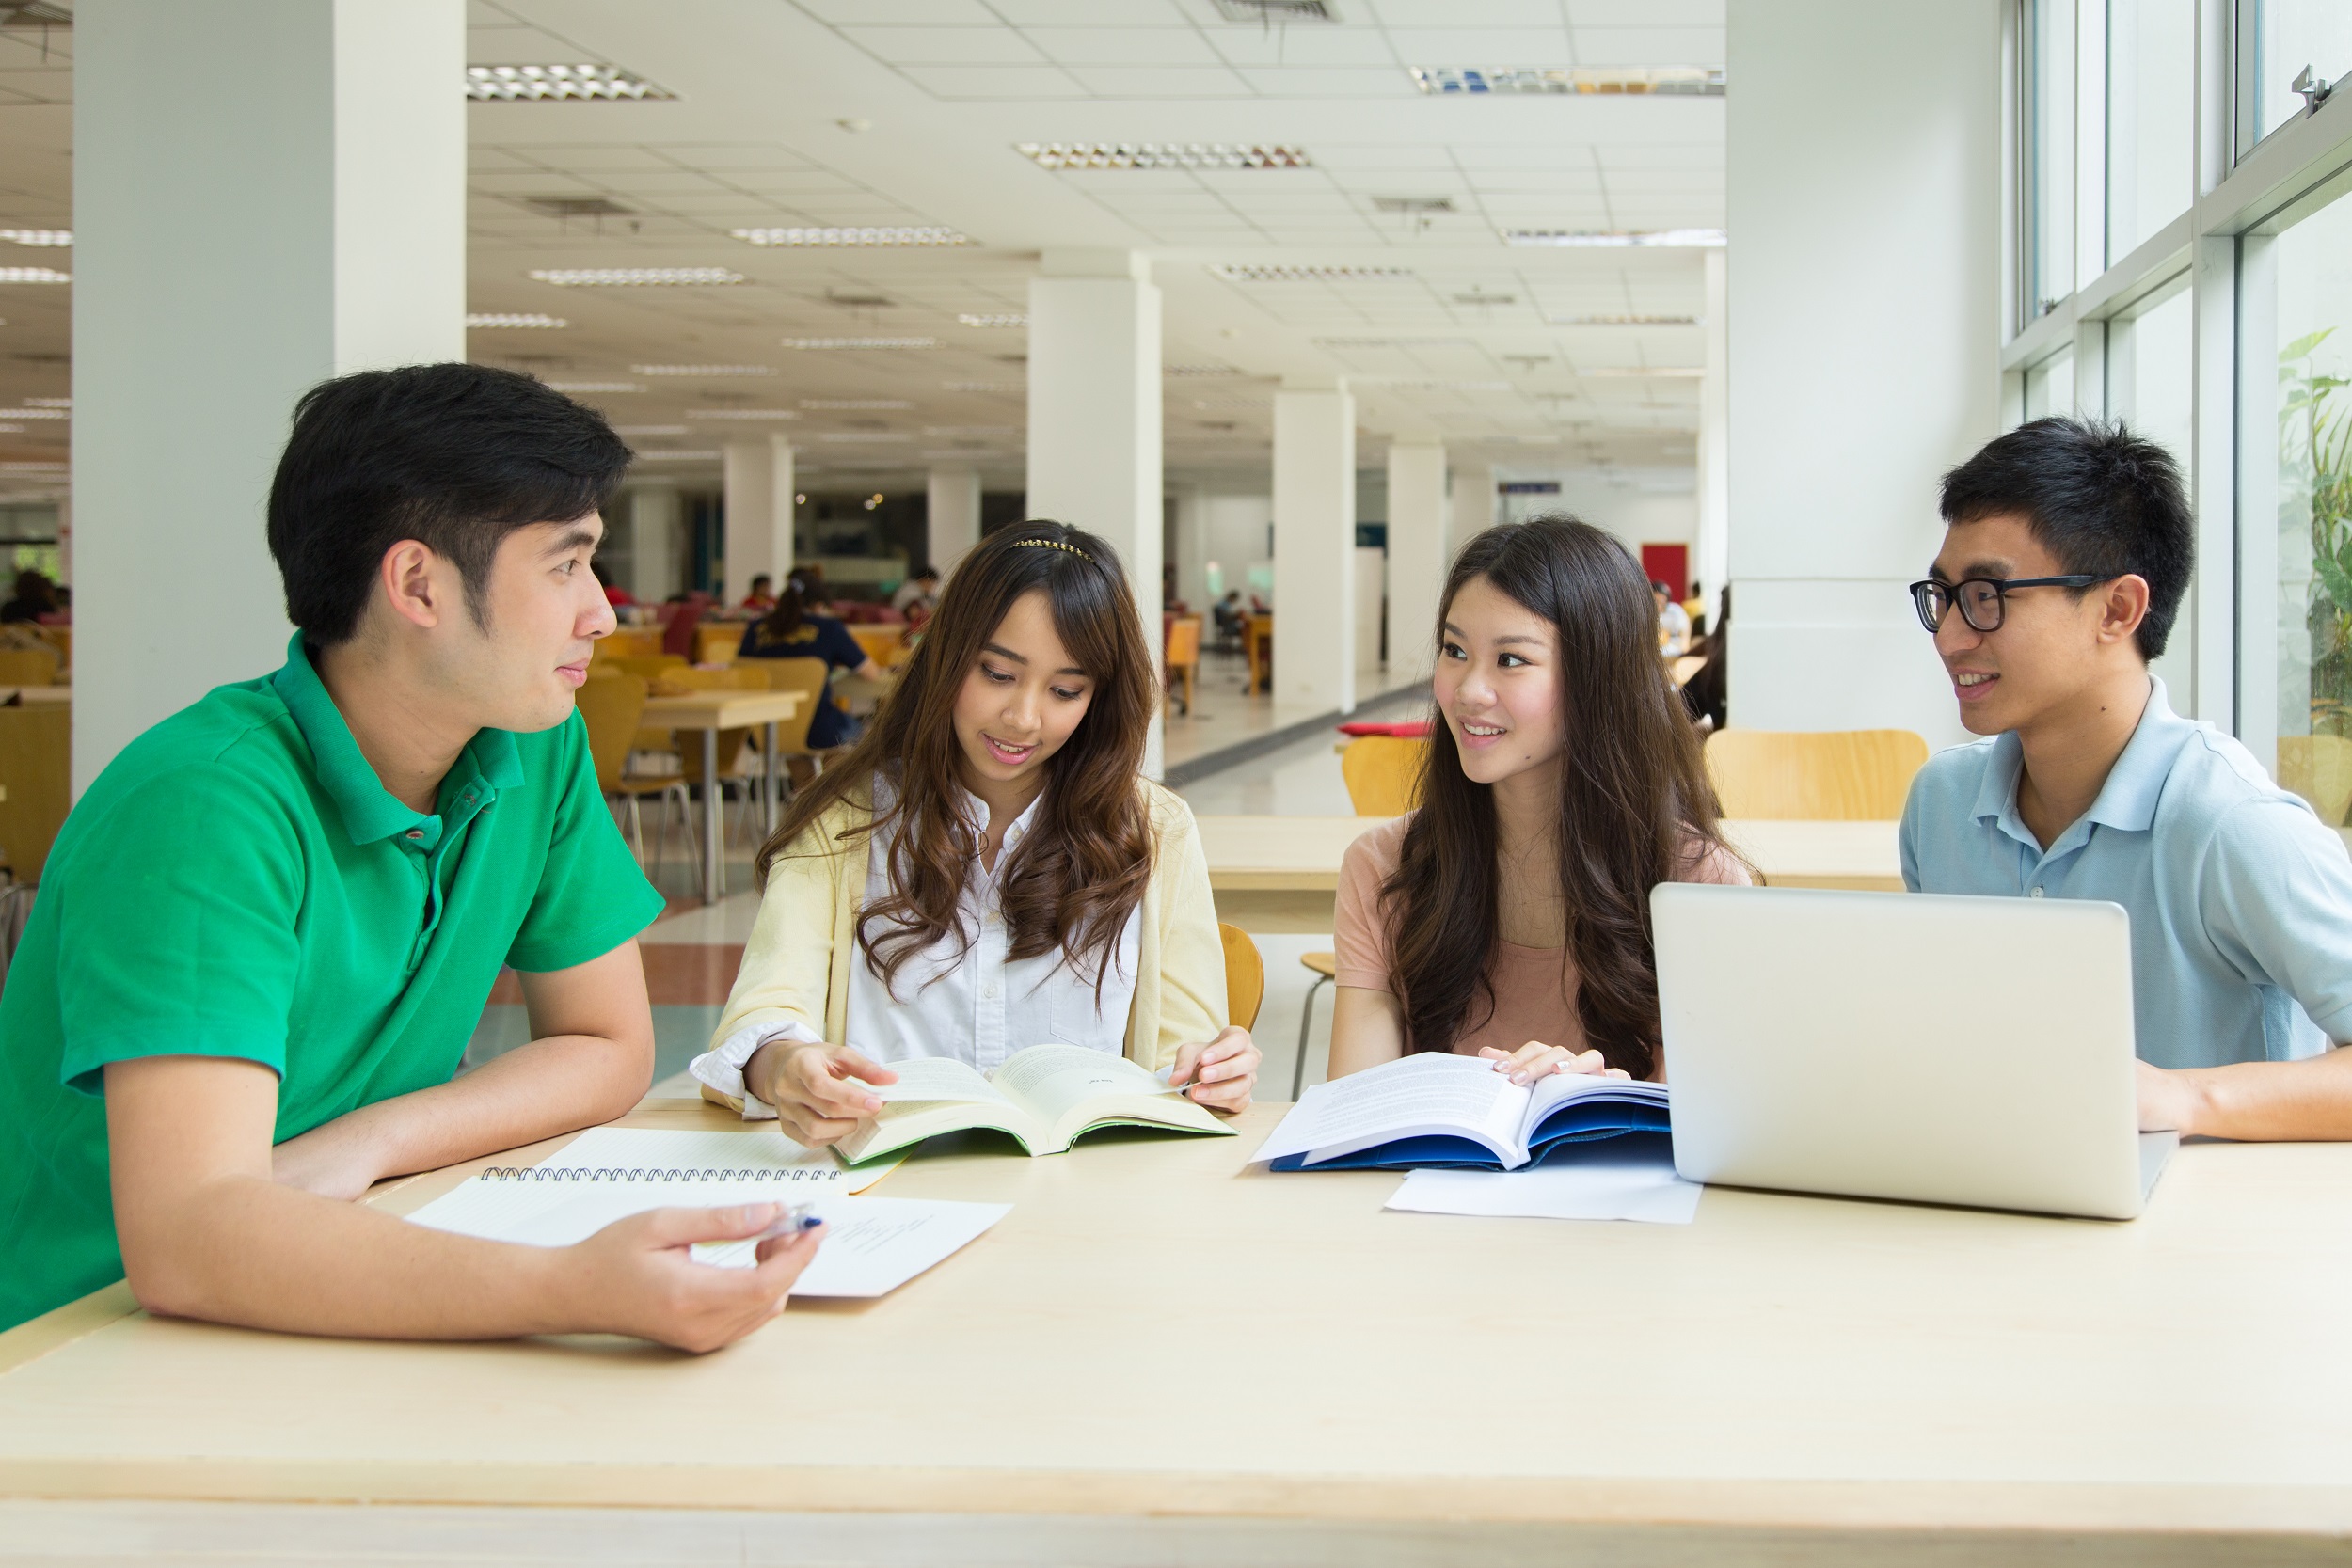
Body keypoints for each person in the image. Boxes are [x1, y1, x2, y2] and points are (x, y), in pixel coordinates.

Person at [0, 363, 823, 1344]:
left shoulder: (529, 738)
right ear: (418, 583)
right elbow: (189, 1235)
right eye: (565, 565)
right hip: (93, 1341)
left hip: (355, 1255)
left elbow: (606, 1046)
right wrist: (570, 1289)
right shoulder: (203, 805)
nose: (601, 613)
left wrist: (374, 1140)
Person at [691, 521, 1262, 1144]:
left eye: (1065, 690)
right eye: (996, 673)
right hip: (885, 1192)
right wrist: (784, 1068)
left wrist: (1214, 1070)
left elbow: (1185, 1053)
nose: (1022, 718)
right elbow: (764, 1015)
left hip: (1084, 1199)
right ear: (948, 655)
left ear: (1098, 697)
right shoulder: (846, 817)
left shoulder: (1154, 829)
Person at [1903, 416, 2352, 1140]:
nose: (1952, 637)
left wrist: (2183, 1100)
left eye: (1987, 596)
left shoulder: (2232, 822)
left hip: (2204, 1234)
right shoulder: (1940, 804)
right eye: (1944, 596)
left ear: (2117, 609)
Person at [1327, 518, 1749, 1088]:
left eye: (1511, 660)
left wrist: (1600, 1106)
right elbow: (1356, 1113)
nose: (1468, 690)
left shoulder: (1698, 883)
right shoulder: (1384, 868)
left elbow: (1706, 1132)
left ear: (1599, 678)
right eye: (1454, 650)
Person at [736, 578, 883, 752]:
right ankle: (832, 779)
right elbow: (871, 673)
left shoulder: (755, 628)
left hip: (760, 731)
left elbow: (740, 672)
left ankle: (808, 779)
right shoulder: (829, 629)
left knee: (799, 747)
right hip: (818, 730)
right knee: (868, 731)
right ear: (819, 606)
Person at [1654, 581, 1691, 657]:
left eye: (1662, 601)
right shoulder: (1647, 613)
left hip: (1674, 653)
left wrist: (1684, 651)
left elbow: (1685, 633)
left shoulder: (1676, 612)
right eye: (1656, 601)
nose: (1659, 606)